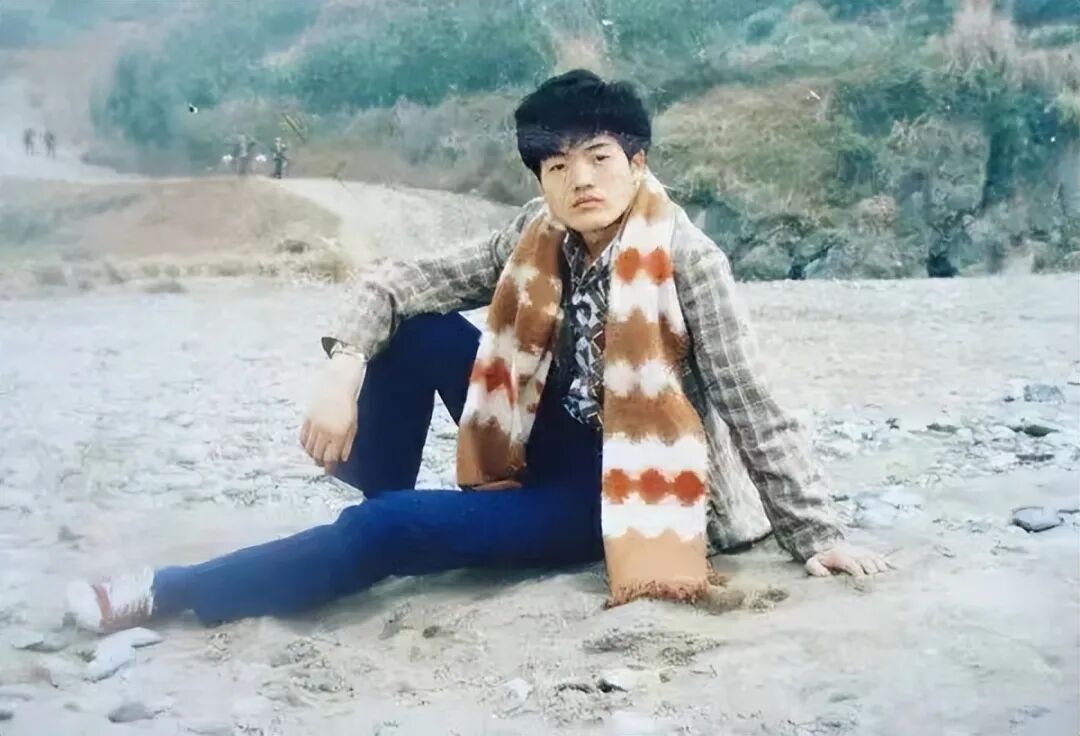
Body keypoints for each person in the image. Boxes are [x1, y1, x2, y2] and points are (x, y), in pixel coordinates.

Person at [66, 70, 888, 634]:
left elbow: (751, 400)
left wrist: (816, 533)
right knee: (412, 328)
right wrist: (343, 366)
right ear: (541, 179)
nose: (580, 180)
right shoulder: (536, 232)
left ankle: (172, 591)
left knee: (386, 531)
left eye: (599, 158)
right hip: (544, 438)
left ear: (637, 164)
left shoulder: (687, 260)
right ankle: (378, 519)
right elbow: (398, 282)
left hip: (618, 489)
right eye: (557, 165)